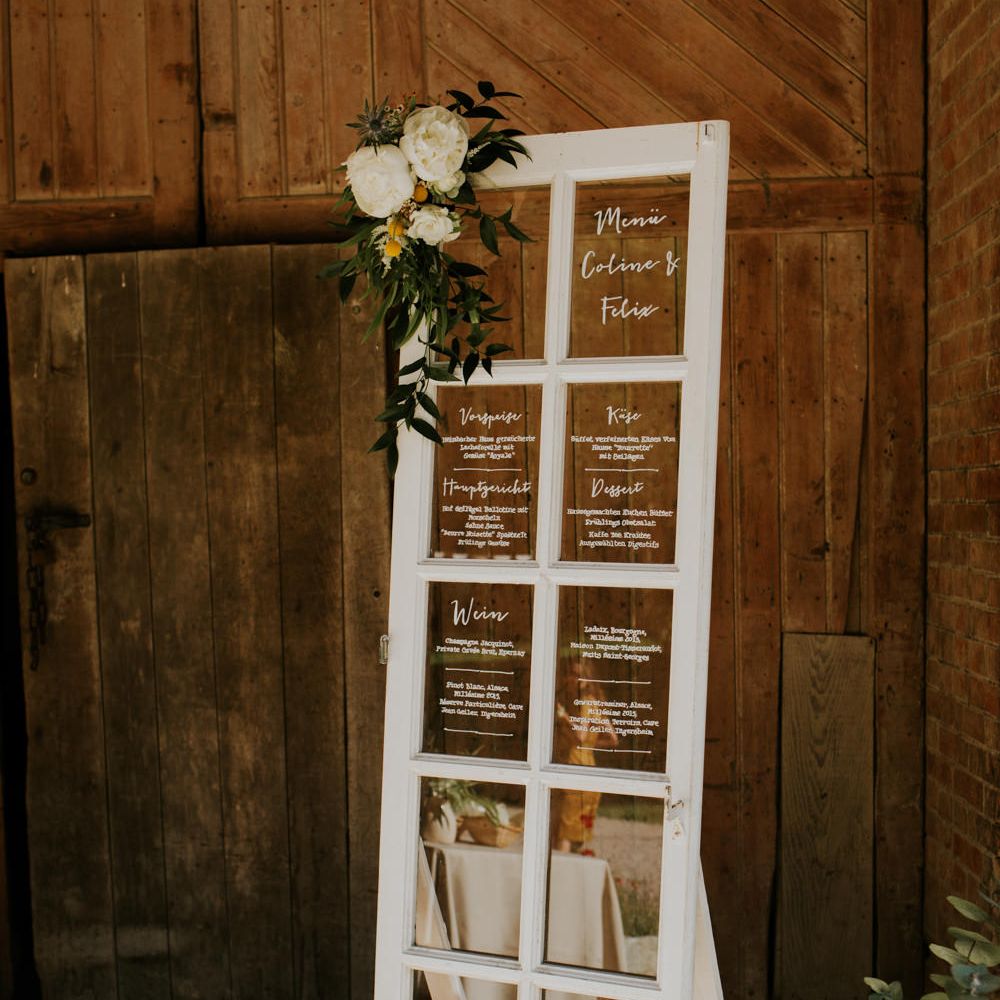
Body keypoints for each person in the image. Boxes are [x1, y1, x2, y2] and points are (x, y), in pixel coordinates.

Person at [550, 658, 619, 852]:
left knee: (564, 829)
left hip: (575, 764)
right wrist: (591, 744)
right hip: (589, 766)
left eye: (577, 675)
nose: (572, 679)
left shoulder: (585, 703)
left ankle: (561, 873)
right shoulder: (596, 702)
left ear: (586, 680)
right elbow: (613, 739)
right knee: (576, 830)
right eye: (571, 674)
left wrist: (563, 716)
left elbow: (580, 736)